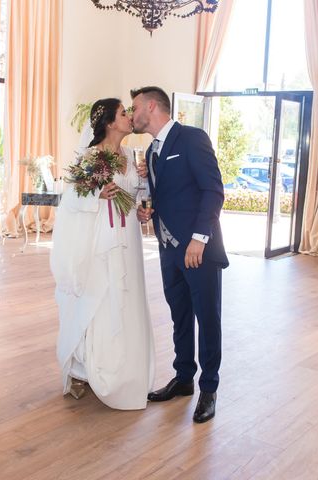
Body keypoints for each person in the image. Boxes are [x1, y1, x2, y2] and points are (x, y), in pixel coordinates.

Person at [131, 86, 228, 423]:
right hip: (168, 249)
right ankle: (184, 377)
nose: (132, 114)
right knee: (179, 315)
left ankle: (209, 388)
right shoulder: (150, 152)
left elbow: (213, 191)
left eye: (135, 108)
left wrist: (200, 239)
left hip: (197, 250)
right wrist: (150, 212)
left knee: (207, 318)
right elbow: (168, 195)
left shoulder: (192, 138)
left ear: (152, 106)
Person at [50, 98, 155, 410]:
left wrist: (141, 205)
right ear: (110, 122)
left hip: (129, 240)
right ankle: (85, 369)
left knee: (125, 300)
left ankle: (126, 369)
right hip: (101, 241)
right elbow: (70, 199)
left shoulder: (129, 155)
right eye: (123, 113)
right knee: (99, 300)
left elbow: (135, 198)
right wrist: (97, 193)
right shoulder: (91, 157)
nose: (129, 117)